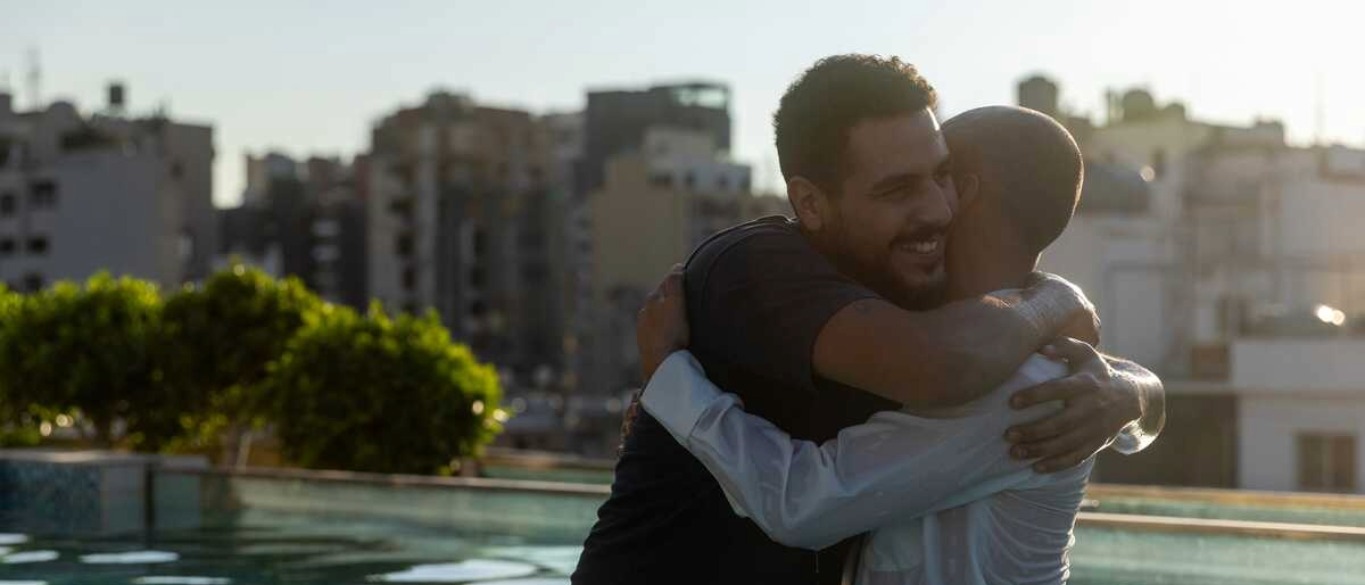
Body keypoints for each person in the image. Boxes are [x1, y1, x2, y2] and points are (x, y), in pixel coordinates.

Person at [571, 55, 1163, 585]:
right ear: (809, 202)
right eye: (898, 189)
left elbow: (987, 359)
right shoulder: (755, 268)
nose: (934, 207)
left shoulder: (977, 335)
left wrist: (1130, 391)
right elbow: (938, 367)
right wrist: (1061, 304)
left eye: (940, 176)